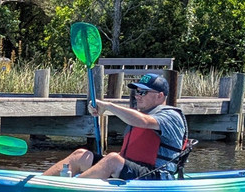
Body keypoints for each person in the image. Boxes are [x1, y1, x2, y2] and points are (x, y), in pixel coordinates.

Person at [43, 72, 189, 179]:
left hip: (156, 176)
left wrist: (108, 106)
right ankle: (42, 183)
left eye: (143, 92)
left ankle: (69, 191)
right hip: (132, 171)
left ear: (160, 96)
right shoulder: (139, 115)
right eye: (137, 91)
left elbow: (143, 122)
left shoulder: (171, 116)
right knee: (81, 155)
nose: (137, 95)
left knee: (112, 160)